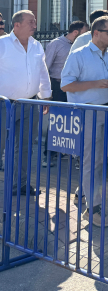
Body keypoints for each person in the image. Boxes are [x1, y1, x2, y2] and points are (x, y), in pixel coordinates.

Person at [61, 16, 108, 227]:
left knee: (100, 159)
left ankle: (84, 193)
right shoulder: (78, 54)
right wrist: (95, 83)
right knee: (92, 160)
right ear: (96, 33)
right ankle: (93, 209)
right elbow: (65, 85)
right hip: (87, 110)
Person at [0, 10, 52, 194]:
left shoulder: (36, 45)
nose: (35, 25)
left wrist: (45, 96)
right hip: (4, 105)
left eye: (35, 21)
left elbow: (42, 72)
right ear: (17, 25)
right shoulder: (2, 44)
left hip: (30, 104)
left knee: (24, 148)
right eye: (31, 22)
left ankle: (20, 185)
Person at [46, 21, 88, 102]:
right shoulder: (56, 44)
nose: (86, 36)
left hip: (76, 86)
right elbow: (45, 66)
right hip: (58, 86)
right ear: (75, 32)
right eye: (85, 33)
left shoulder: (82, 46)